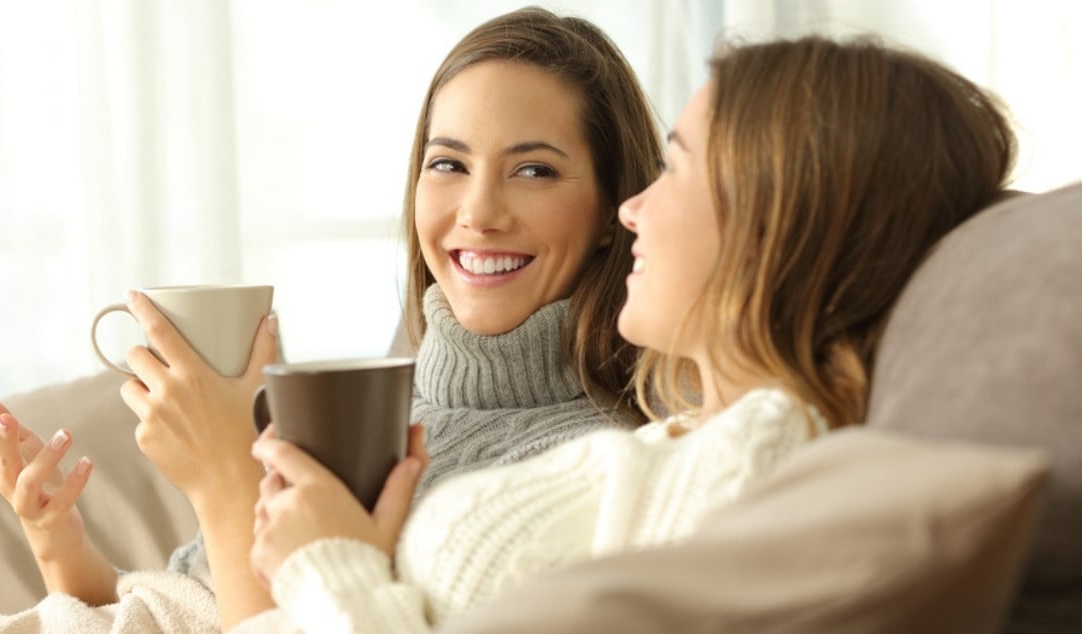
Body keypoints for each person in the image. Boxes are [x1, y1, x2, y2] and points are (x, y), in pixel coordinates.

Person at [0, 6, 662, 632]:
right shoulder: (375, 413)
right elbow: (186, 611)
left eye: (533, 170)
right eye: (448, 163)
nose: (478, 211)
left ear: (610, 210)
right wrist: (59, 541)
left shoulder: (599, 470)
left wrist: (227, 480)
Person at [238, 34, 1017, 633]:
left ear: (771, 228)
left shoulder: (753, 473)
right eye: (447, 164)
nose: (632, 209)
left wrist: (326, 565)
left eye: (675, 170)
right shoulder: (692, 443)